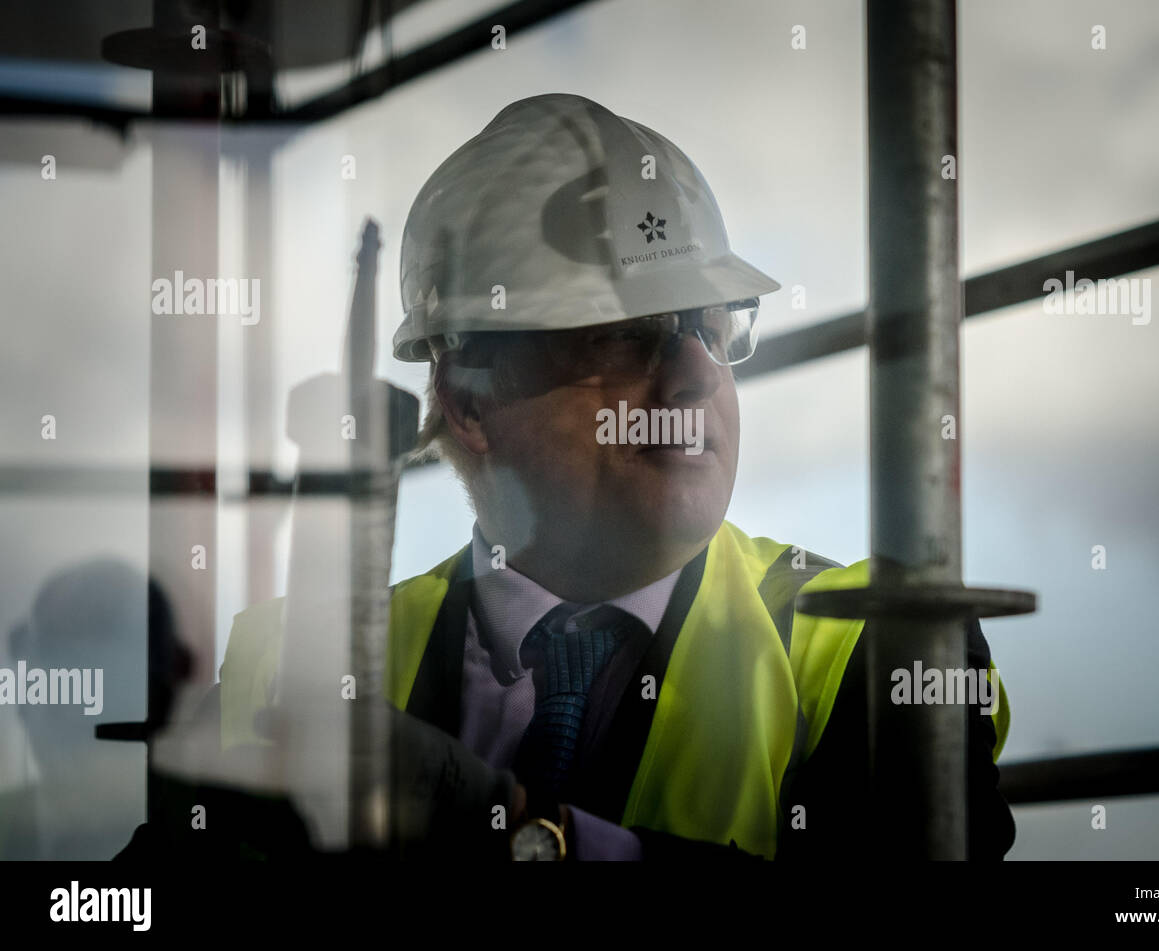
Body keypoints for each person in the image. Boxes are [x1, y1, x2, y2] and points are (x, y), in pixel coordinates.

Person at [129, 92, 1015, 862]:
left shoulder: (879, 645)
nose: (696, 373)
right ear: (468, 400)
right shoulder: (285, 671)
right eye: (626, 335)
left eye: (711, 328)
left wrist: (520, 833)